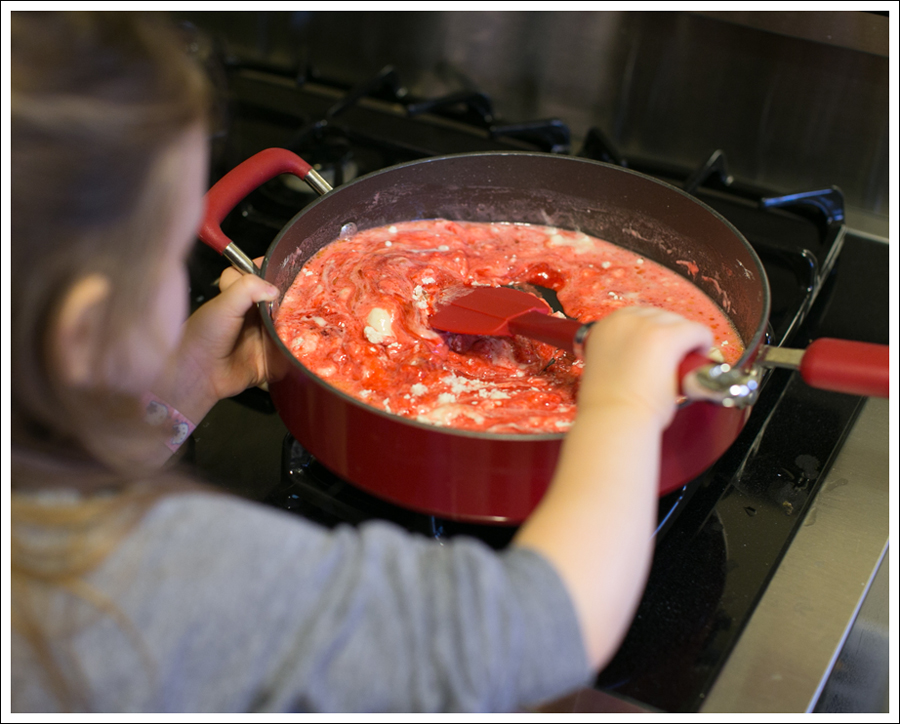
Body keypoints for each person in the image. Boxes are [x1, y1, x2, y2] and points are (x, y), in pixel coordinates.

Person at [9, 11, 714, 713]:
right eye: (166, 255)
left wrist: (177, 394)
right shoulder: (152, 573)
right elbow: (523, 643)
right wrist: (623, 407)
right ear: (83, 332)